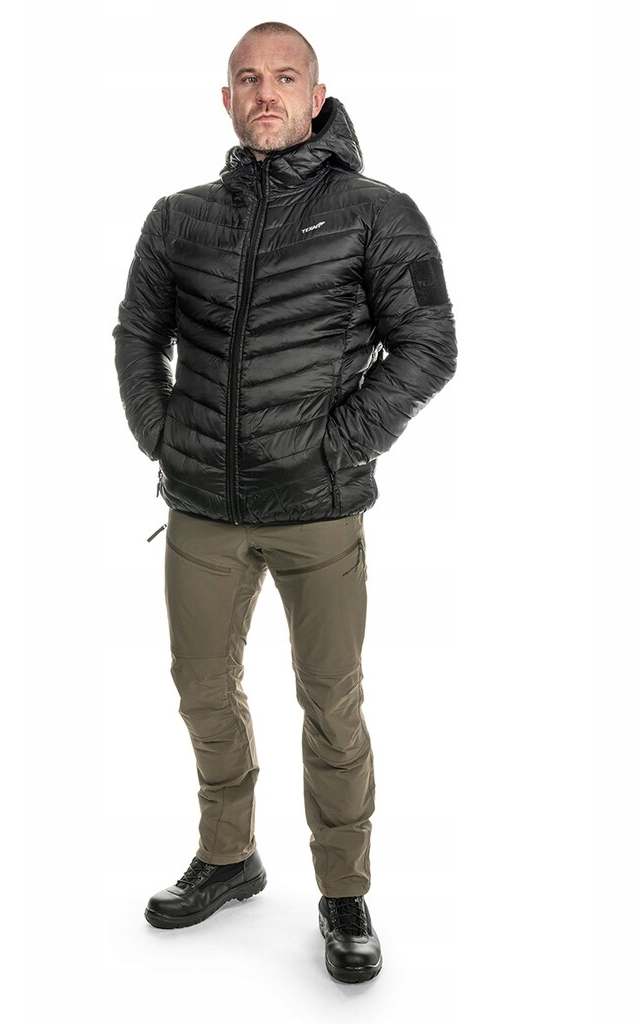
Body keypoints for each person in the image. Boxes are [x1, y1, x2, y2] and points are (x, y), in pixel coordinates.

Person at [113, 22, 457, 983]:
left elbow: (430, 344)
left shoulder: (377, 213)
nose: (266, 92)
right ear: (227, 99)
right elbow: (137, 333)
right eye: (248, 78)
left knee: (331, 702)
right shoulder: (177, 219)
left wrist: (335, 446)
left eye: (285, 76)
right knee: (201, 689)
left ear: (316, 95)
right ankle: (229, 857)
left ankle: (344, 893)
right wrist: (162, 435)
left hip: (318, 512)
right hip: (202, 511)